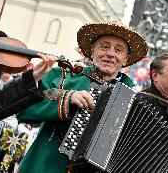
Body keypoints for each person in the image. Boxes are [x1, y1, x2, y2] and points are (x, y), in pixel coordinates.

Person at [16, 21, 148, 173]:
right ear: (92, 51)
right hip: (45, 166)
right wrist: (66, 98)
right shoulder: (63, 75)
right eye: (105, 47)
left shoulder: (132, 97)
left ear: (125, 59)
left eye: (118, 50)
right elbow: (22, 109)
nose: (110, 53)